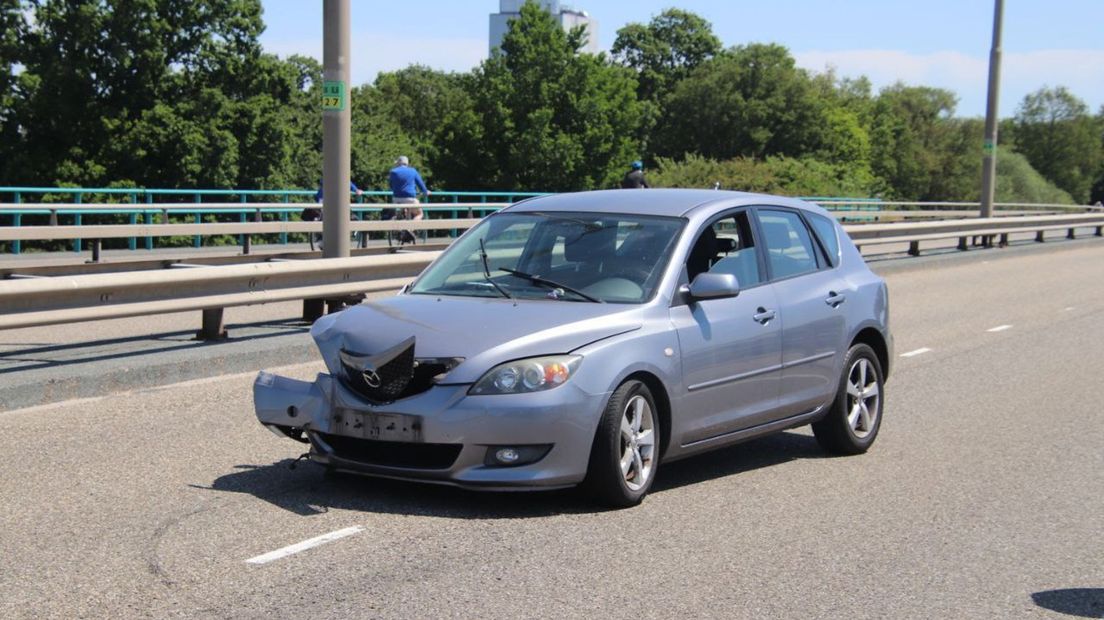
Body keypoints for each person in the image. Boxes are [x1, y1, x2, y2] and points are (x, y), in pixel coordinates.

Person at [306, 179, 364, 250]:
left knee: (325, 217)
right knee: (341, 215)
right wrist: (356, 190)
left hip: (323, 201)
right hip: (331, 203)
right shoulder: (337, 178)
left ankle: (322, 239)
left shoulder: (327, 178)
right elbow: (347, 182)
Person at [388, 156, 430, 244]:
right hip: (410, 199)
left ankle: (400, 230)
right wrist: (425, 191)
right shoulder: (413, 171)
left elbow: (391, 185)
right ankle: (409, 228)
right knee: (419, 213)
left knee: (400, 213)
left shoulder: (393, 172)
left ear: (398, 163)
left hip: (396, 199)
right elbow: (421, 184)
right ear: (407, 163)